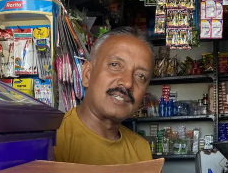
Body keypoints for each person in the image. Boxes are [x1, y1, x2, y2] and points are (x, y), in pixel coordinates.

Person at [54, 27, 155, 165]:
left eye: (140, 76)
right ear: (87, 74)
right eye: (115, 65)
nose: (127, 82)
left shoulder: (141, 151)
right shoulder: (54, 140)